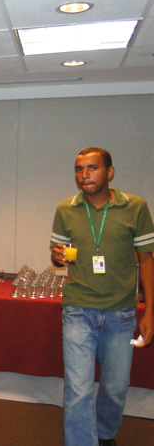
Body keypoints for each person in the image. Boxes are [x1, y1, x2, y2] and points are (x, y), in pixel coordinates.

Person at [50, 147, 154, 446]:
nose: (84, 175)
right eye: (79, 169)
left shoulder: (135, 207)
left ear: (110, 172)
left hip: (120, 312)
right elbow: (59, 256)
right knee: (78, 390)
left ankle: (105, 434)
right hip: (78, 310)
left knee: (115, 388)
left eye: (92, 168)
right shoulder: (66, 209)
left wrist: (150, 312)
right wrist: (57, 257)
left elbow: (147, 259)